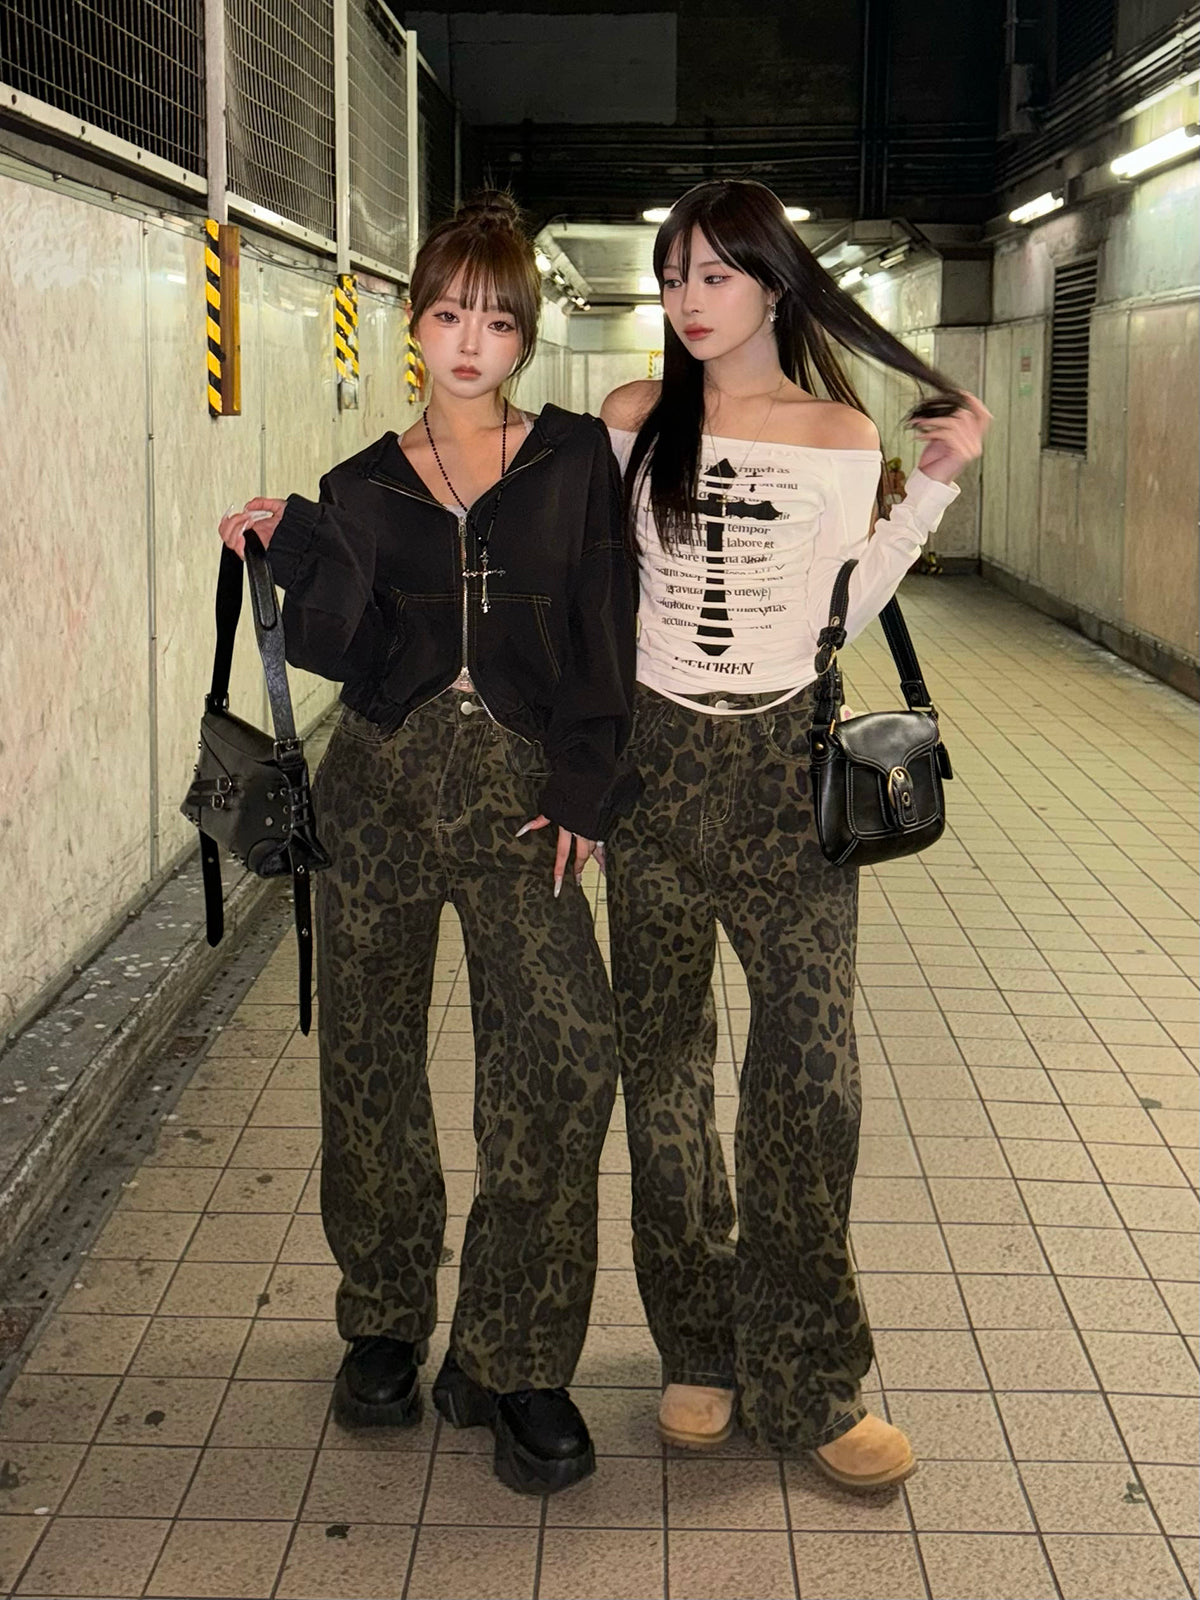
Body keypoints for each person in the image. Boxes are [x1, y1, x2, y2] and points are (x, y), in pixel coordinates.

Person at [218, 192, 635, 1496]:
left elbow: (607, 627)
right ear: (412, 322)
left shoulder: (573, 461)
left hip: (523, 794)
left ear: (525, 337)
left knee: (563, 1056)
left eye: (497, 321)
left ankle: (514, 1354)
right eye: (450, 313)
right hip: (383, 789)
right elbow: (354, 653)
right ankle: (387, 1318)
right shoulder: (362, 485)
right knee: (370, 1057)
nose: (470, 341)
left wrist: (586, 790)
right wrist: (295, 544)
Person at [600, 179, 988, 1491]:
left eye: (714, 275)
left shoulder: (836, 432)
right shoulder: (632, 420)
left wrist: (930, 488)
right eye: (672, 277)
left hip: (784, 777)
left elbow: (844, 599)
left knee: (811, 1087)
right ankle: (699, 1349)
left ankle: (813, 1376)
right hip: (655, 775)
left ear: (774, 284)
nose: (687, 300)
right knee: (663, 1083)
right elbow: (582, 585)